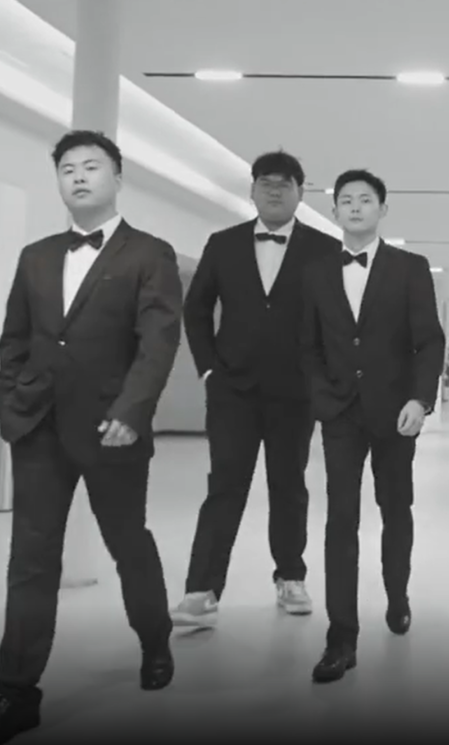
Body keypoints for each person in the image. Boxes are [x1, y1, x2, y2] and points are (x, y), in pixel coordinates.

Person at [0, 130, 182, 745]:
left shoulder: (150, 253)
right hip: (37, 426)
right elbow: (15, 338)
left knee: (128, 543)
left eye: (91, 166)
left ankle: (155, 641)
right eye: (67, 169)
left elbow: (158, 342)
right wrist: (10, 399)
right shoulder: (35, 256)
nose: (79, 176)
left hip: (113, 429)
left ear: (117, 178)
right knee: (31, 560)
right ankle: (16, 694)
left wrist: (132, 411)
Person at [172, 151, 340, 627]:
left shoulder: (324, 250)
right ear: (252, 191)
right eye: (266, 182)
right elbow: (196, 310)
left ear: (301, 193)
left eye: (285, 184)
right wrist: (208, 369)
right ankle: (201, 590)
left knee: (289, 486)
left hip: (295, 392)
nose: (274, 190)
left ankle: (291, 577)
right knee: (224, 486)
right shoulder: (223, 244)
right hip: (233, 391)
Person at [301, 169, 445, 683]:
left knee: (395, 510)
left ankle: (397, 594)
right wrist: (322, 399)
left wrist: (420, 400)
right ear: (334, 211)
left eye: (366, 200)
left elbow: (429, 340)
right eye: (346, 200)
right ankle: (341, 637)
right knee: (340, 520)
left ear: (383, 209)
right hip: (339, 414)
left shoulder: (410, 268)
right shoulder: (316, 272)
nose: (356, 207)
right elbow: (307, 345)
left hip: (395, 413)